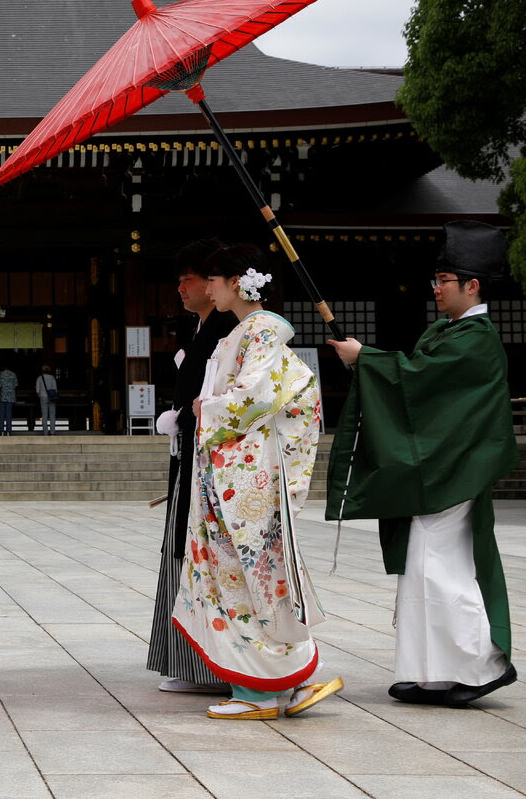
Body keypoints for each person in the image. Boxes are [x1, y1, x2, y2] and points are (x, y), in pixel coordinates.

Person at [325, 220, 519, 707]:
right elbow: (416, 384)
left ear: (472, 285)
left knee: (443, 568)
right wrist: (368, 361)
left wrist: (365, 358)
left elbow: (418, 385)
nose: (435, 288)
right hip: (442, 469)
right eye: (436, 279)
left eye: (444, 280)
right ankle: (431, 673)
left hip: (455, 471)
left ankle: (478, 665)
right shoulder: (448, 331)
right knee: (423, 566)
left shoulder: (476, 339)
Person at [171, 243, 343, 720]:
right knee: (248, 574)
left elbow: (255, 397)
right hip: (232, 469)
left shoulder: (262, 331)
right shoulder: (246, 332)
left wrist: (205, 409)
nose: (207, 288)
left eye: (214, 280)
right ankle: (289, 676)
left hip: (245, 474)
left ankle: (262, 690)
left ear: (237, 283)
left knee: (246, 574)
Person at [148, 238, 236, 695]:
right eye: (179, 278)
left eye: (192, 278)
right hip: (190, 458)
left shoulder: (228, 331)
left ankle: (214, 665)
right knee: (183, 551)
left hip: (213, 465)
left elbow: (225, 399)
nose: (181, 287)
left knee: (203, 553)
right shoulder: (202, 330)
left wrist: (182, 415)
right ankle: (188, 661)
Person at [35, 364, 58, 435]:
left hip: (43, 397)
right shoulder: (52, 378)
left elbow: (37, 390)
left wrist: (40, 395)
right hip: (51, 397)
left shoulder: (39, 378)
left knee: (44, 415)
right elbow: (55, 389)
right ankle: (52, 432)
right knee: (52, 415)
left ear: (42, 370)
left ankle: (45, 432)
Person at [0, 365, 17, 435]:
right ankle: (8, 431)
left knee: (1, 414)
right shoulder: (13, 374)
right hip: (10, 397)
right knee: (8, 414)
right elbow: (16, 384)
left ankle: (1, 431)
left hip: (1, 396)